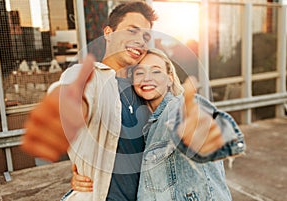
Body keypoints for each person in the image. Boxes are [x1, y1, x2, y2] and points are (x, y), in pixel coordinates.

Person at [22, 2, 243, 201]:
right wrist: (67, 109)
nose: (140, 40)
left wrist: (202, 131)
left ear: (169, 78)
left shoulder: (145, 95)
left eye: (146, 36)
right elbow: (77, 93)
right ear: (108, 33)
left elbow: (185, 118)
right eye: (132, 30)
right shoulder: (90, 77)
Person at [69, 49, 244, 200]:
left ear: (169, 79)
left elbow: (201, 125)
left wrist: (203, 135)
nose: (147, 78)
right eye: (139, 73)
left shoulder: (179, 106)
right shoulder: (145, 126)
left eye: (156, 71)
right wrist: (84, 173)